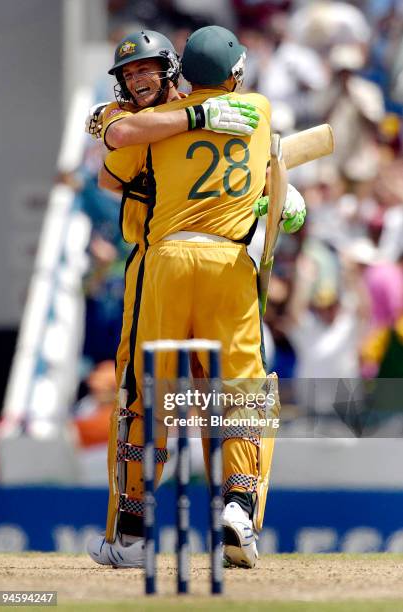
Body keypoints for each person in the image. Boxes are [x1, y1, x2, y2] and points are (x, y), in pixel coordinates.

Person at [87, 25, 306, 570]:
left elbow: (113, 161)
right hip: (226, 262)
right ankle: (238, 507)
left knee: (149, 396)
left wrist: (279, 188)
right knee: (244, 393)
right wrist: (266, 173)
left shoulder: (149, 130)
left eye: (147, 71)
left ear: (174, 70)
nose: (137, 82)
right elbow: (116, 138)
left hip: (163, 262)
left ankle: (135, 533)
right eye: (129, 75)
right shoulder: (250, 108)